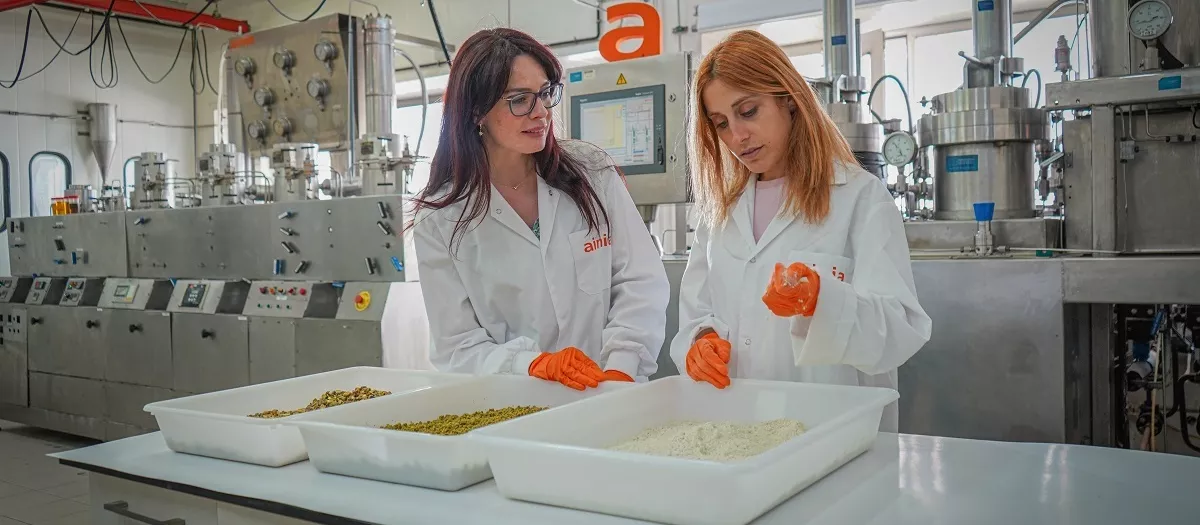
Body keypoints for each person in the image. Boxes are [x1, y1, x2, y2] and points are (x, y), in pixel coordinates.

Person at [671, 30, 931, 430]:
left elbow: (899, 329)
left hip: (834, 433)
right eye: (721, 124)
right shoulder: (720, 210)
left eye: (748, 111)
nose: (737, 137)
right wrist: (701, 341)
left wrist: (821, 301)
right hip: (738, 430)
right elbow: (698, 310)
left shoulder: (859, 197)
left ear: (789, 99)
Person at [410, 28, 669, 391]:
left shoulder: (591, 172)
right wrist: (531, 365)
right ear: (476, 111)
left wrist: (621, 368)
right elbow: (457, 347)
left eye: (545, 93)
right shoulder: (441, 218)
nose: (541, 112)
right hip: (515, 405)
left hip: (610, 389)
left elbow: (640, 280)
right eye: (519, 100)